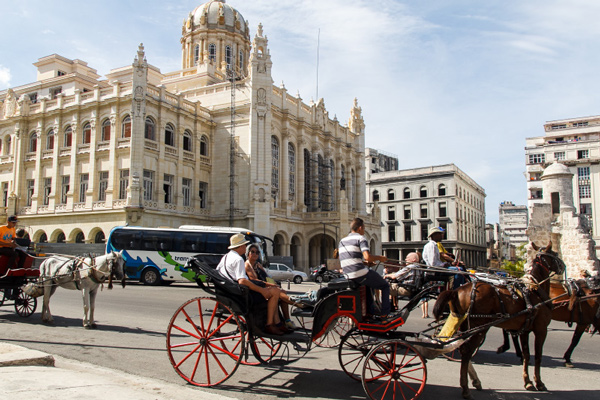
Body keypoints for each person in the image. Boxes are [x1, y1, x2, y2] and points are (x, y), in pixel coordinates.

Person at [216, 234, 288, 335]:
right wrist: (262, 290)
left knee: (273, 290)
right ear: (240, 246)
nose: (245, 248)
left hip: (230, 291)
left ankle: (278, 323)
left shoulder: (226, 257)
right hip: (241, 294)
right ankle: (270, 324)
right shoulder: (238, 259)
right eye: (245, 245)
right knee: (275, 292)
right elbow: (242, 281)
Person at [338, 217, 390, 318]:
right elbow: (367, 256)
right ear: (360, 228)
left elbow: (350, 259)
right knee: (385, 286)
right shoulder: (361, 238)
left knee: (368, 285)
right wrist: (380, 258)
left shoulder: (342, 241)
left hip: (347, 273)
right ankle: (385, 314)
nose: (364, 230)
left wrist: (366, 264)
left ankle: (370, 311)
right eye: (364, 228)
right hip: (358, 272)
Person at [244, 243, 300, 330]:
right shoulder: (247, 265)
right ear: (248, 254)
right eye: (252, 252)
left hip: (264, 287)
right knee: (278, 292)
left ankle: (287, 319)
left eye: (257, 252)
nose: (255, 254)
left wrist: (274, 283)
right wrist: (271, 285)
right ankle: (298, 304)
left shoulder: (257, 265)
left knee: (282, 291)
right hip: (257, 290)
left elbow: (266, 277)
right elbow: (254, 280)